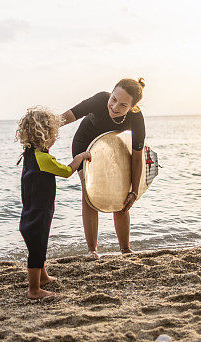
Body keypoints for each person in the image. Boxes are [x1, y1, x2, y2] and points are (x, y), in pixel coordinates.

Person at [60, 77, 146, 259]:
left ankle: (125, 249)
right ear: (111, 92)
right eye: (114, 99)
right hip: (85, 144)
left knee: (123, 195)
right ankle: (92, 250)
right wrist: (43, 126)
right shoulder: (100, 100)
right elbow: (67, 116)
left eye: (123, 105)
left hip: (111, 147)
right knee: (89, 192)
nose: (115, 107)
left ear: (132, 107)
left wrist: (134, 191)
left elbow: (137, 158)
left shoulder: (137, 119)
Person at [15, 107, 91, 299]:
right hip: (38, 212)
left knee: (39, 246)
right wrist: (79, 158)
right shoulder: (43, 158)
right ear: (47, 135)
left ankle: (43, 277)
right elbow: (66, 171)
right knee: (37, 250)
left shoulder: (29, 153)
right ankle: (34, 289)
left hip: (32, 211)